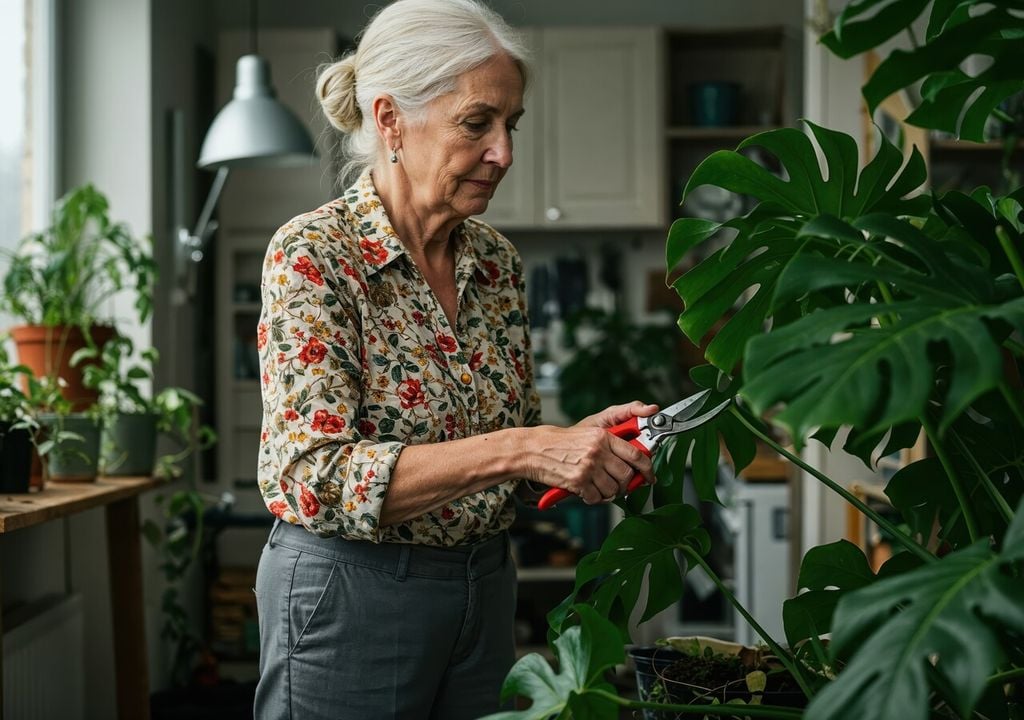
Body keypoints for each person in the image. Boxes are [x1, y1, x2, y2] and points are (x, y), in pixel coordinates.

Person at [252, 1, 657, 717]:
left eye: (510, 125)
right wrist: (524, 447)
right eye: (478, 123)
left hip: (485, 586)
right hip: (352, 592)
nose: (504, 152)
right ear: (390, 121)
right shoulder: (315, 255)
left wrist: (576, 450)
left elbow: (513, 461)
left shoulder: (495, 262)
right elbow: (314, 477)